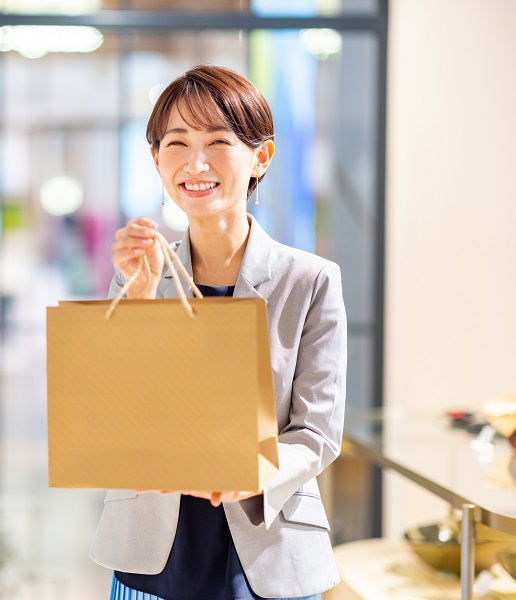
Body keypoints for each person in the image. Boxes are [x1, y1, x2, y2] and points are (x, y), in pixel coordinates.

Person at [91, 65, 347, 600]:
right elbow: (111, 415)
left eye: (218, 141)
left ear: (261, 156)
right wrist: (138, 299)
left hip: (269, 548)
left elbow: (317, 433)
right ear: (156, 160)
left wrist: (253, 470)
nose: (195, 163)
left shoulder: (310, 280)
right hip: (151, 554)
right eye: (177, 143)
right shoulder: (139, 273)